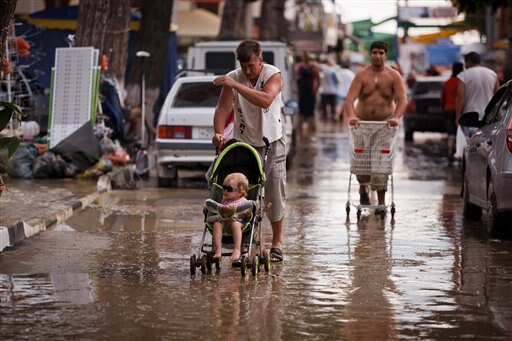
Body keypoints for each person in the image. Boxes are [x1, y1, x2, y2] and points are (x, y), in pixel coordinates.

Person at [212, 39, 286, 263]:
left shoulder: (273, 75)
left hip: (272, 139)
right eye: (243, 66)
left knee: (274, 190)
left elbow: (265, 100)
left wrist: (234, 85)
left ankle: (276, 243)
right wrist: (218, 132)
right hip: (244, 141)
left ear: (260, 61)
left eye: (251, 66)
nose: (247, 71)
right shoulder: (234, 77)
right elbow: (223, 108)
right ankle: (244, 240)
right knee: (244, 190)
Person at [344, 41, 407, 214]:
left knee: (381, 164)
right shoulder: (362, 75)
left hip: (385, 125)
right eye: (374, 53)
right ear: (370, 54)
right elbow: (349, 99)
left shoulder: (394, 76)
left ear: (386, 55)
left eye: (381, 53)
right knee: (361, 162)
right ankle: (363, 188)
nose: (377, 56)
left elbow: (403, 100)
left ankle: (381, 202)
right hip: (362, 123)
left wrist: (396, 117)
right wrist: (351, 116)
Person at [205, 172, 252, 263]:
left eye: (229, 189)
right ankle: (217, 249)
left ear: (240, 192)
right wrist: (223, 209)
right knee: (216, 224)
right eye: (224, 188)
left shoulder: (243, 201)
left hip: (238, 222)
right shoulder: (224, 200)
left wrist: (238, 210)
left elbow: (248, 210)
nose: (225, 191)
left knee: (235, 224)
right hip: (224, 222)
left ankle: (237, 249)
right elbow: (219, 211)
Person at [455, 51, 499, 139]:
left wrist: (457, 117)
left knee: (469, 146)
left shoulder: (463, 75)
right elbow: (498, 95)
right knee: (485, 145)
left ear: (468, 61)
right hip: (488, 116)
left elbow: (460, 98)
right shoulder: (492, 74)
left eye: (465, 63)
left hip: (470, 117)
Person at [441, 62, 464, 163]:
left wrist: (444, 108)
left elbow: (443, 98)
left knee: (450, 133)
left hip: (449, 109)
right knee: (460, 133)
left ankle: (450, 152)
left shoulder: (448, 82)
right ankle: (460, 152)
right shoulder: (462, 82)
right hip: (461, 111)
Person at [295, 51, 320, 138]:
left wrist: (315, 90)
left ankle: (311, 130)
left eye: (306, 56)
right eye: (303, 56)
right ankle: (300, 131)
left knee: (310, 111)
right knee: (301, 111)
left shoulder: (313, 66)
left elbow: (318, 79)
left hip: (310, 91)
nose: (305, 57)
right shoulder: (299, 66)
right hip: (302, 91)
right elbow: (296, 78)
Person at [319, 55, 341, 122]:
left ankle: (325, 118)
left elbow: (321, 80)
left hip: (325, 91)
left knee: (325, 105)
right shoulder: (334, 71)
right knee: (333, 105)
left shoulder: (324, 71)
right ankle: (333, 116)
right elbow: (338, 81)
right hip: (333, 91)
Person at [336, 60, 356, 126]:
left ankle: (337, 115)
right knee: (346, 108)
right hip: (348, 92)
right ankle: (345, 121)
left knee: (339, 105)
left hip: (340, 91)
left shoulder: (339, 72)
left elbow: (337, 81)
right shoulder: (351, 73)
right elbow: (353, 83)